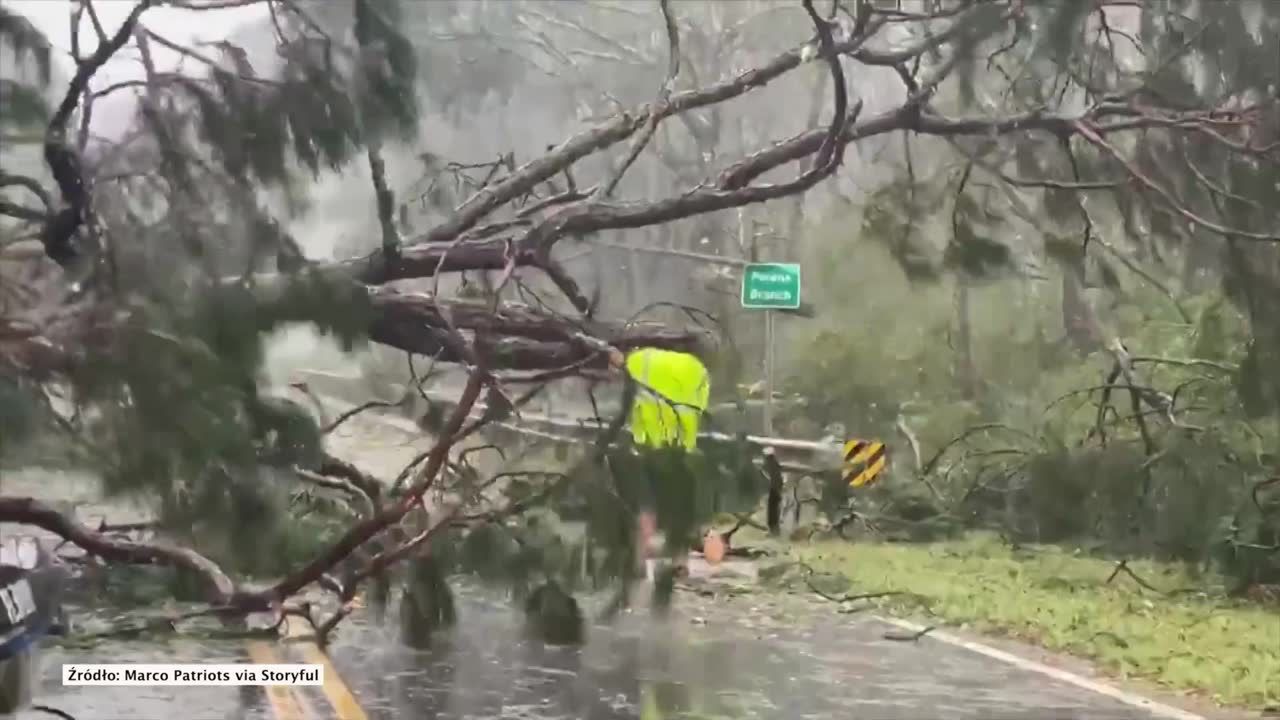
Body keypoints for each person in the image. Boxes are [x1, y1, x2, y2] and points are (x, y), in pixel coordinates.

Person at [607, 346, 711, 575]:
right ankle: (680, 561)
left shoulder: (637, 365)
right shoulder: (695, 368)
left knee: (644, 505)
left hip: (647, 447)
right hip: (681, 448)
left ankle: (638, 563)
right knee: (680, 506)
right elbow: (701, 407)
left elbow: (626, 405)